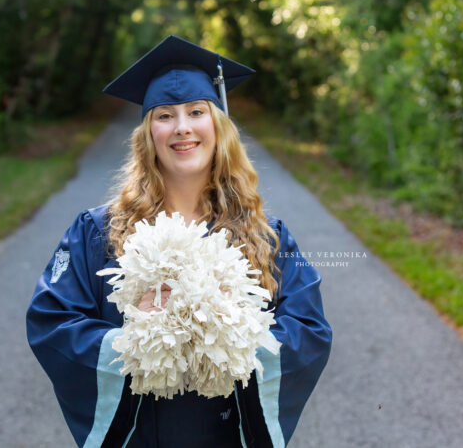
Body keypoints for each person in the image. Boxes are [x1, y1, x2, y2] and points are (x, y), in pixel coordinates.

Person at [26, 35, 332, 447]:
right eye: (165, 115)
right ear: (148, 133)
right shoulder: (100, 232)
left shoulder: (266, 236)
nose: (182, 127)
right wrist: (135, 340)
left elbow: (309, 331)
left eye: (196, 112)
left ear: (218, 127)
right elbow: (53, 323)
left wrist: (236, 335)